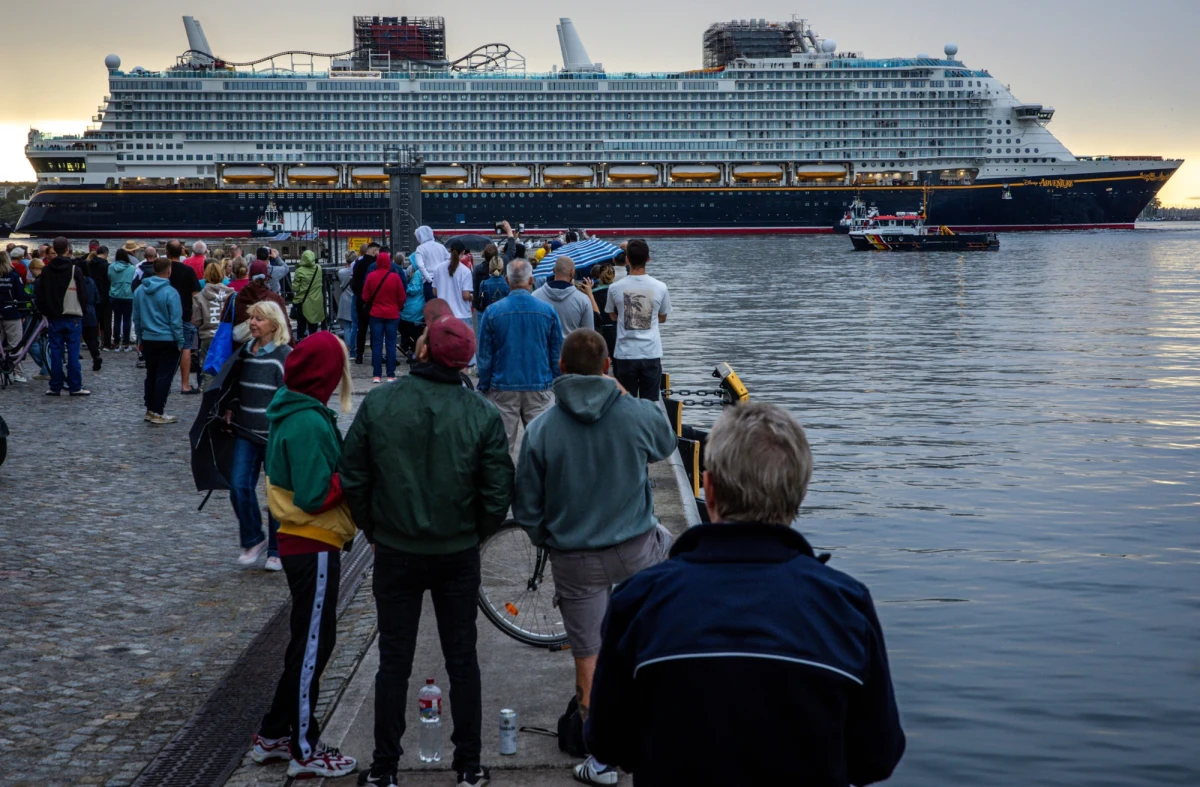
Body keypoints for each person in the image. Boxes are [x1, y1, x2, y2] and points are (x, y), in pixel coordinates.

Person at [586, 402, 906, 786]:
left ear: (709, 489)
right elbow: (877, 759)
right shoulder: (846, 607)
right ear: (800, 493)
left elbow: (608, 742)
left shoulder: (640, 600)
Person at [342, 311, 513, 787]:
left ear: (423, 350)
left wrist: (374, 527)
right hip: (456, 551)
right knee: (462, 658)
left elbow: (353, 472)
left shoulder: (382, 402)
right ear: (465, 363)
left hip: (396, 548)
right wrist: (475, 532)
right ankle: (469, 765)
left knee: (394, 659)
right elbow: (498, 490)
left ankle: (384, 768)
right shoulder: (481, 413)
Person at [512, 328, 676, 785]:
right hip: (636, 550)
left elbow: (527, 505)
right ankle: (651, 731)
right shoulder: (635, 414)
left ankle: (601, 761)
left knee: (588, 655)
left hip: (575, 557)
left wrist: (546, 538)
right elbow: (666, 444)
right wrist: (624, 392)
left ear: (561, 367)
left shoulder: (542, 428)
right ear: (608, 367)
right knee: (648, 629)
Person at [249, 331, 359, 780]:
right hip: (313, 540)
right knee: (313, 645)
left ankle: (274, 734)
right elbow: (315, 495)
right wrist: (354, 473)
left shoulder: (291, 408)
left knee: (308, 643)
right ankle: (304, 749)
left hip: (302, 541)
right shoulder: (308, 421)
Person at [225, 300, 292, 571]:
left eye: (259, 319)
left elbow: (291, 395)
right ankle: (254, 539)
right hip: (246, 432)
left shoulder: (284, 355)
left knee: (276, 494)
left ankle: (277, 549)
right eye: (251, 318)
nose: (253, 323)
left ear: (274, 324)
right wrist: (230, 407)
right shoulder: (244, 353)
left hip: (274, 436)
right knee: (238, 485)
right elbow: (234, 387)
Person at [476, 258, 562, 449]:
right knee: (542, 447)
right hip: (540, 383)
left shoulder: (492, 312)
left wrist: (484, 385)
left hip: (502, 385)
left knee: (500, 448)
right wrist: (556, 383)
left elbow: (485, 355)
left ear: (507, 280)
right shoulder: (548, 311)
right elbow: (556, 352)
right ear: (531, 280)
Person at [604, 239, 670, 401]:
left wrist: (627, 315)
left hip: (625, 353)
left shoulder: (614, 288)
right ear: (648, 259)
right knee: (651, 403)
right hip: (651, 352)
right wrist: (647, 316)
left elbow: (611, 314)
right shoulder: (661, 287)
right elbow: (663, 317)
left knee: (626, 403)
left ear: (627, 259)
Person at [33, 237, 91, 397]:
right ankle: (75, 386)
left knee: (56, 353)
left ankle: (55, 386)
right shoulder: (75, 270)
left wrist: (46, 311)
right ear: (67, 249)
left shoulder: (46, 270)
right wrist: (83, 310)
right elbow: (83, 294)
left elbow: (40, 295)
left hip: (53, 317)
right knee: (73, 353)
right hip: (72, 315)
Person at [132, 256, 184, 423]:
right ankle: (158, 411)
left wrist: (139, 338)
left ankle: (150, 409)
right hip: (168, 339)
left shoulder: (140, 290)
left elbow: (136, 318)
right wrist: (180, 341)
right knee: (164, 377)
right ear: (169, 270)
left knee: (151, 374)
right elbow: (176, 320)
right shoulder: (171, 292)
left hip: (148, 338)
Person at [162, 240, 202, 396]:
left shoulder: (163, 271)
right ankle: (185, 385)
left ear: (167, 252)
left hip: (165, 315)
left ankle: (164, 383)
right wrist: (194, 314)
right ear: (182, 252)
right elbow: (195, 295)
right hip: (185, 313)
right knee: (186, 348)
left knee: (166, 348)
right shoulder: (188, 271)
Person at [362, 251, 406, 383]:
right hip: (392, 314)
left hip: (376, 314)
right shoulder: (395, 277)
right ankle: (390, 374)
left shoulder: (371, 276)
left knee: (377, 345)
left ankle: (377, 375)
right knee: (391, 345)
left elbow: (365, 297)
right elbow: (402, 297)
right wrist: (397, 307)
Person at [193, 263, 235, 390]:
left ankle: (208, 395)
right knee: (227, 369)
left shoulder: (199, 296)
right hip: (226, 337)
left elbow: (197, 321)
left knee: (208, 371)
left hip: (208, 336)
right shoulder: (232, 294)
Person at [230, 260, 290, 345]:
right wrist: (291, 347)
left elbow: (227, 321)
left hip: (240, 345)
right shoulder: (275, 299)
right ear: (266, 278)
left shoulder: (236, 297)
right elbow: (285, 325)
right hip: (269, 343)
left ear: (249, 276)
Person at [532, 256, 592, 336]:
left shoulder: (535, 296)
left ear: (554, 270)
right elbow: (588, 335)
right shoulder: (583, 300)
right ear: (572, 272)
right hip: (572, 344)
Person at [431, 240, 474, 331]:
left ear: (450, 251)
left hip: (443, 315)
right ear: (463, 252)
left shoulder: (438, 268)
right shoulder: (465, 271)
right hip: (462, 315)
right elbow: (465, 295)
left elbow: (434, 292)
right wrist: (471, 297)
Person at [0, 252, 27, 382]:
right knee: (15, 344)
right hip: (11, 312)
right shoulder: (14, 275)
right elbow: (20, 295)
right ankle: (18, 373)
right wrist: (23, 311)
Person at [351, 243, 380, 363]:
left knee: (361, 329)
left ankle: (359, 355)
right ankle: (375, 355)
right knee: (374, 329)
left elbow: (353, 283)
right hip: (373, 301)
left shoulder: (358, 263)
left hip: (360, 301)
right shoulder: (375, 265)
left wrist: (359, 295)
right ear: (374, 251)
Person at [291, 250, 326, 340]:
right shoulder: (318, 268)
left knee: (301, 324)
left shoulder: (299, 271)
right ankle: (313, 341)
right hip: (316, 300)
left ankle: (301, 340)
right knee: (313, 323)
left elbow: (295, 288)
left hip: (302, 301)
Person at [398, 252, 426, 362]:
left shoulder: (418, 273)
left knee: (404, 324)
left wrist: (405, 287)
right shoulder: (425, 272)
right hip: (420, 305)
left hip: (413, 305)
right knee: (416, 330)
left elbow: (414, 289)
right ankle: (412, 349)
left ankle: (408, 345)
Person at [108, 248, 137, 351]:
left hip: (115, 295)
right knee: (127, 319)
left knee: (116, 318)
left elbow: (109, 278)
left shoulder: (111, 267)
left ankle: (116, 342)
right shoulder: (132, 268)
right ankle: (126, 343)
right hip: (128, 295)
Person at [85, 245, 114, 350]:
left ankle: (93, 342)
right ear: (106, 254)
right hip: (105, 294)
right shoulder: (107, 266)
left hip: (92, 294)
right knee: (106, 320)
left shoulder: (89, 264)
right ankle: (106, 343)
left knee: (94, 320)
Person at [589, 263, 617, 358]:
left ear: (599, 276)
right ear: (613, 275)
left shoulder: (592, 293)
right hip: (615, 329)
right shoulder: (617, 292)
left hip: (598, 330)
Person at [336, 253, 356, 345]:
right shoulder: (357, 270)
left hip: (345, 299)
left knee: (347, 327)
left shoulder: (341, 272)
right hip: (355, 297)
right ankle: (355, 346)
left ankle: (348, 347)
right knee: (355, 326)